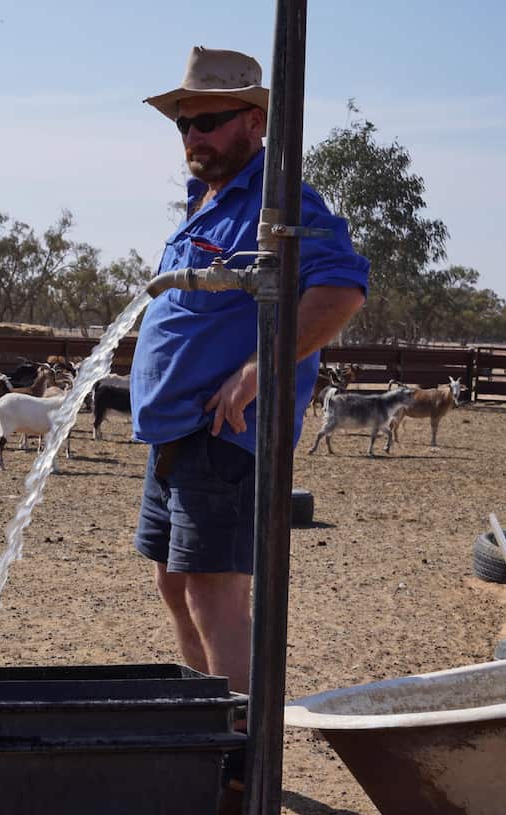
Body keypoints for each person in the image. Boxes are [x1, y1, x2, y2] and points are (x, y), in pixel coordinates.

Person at [131, 48, 367, 710]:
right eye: (184, 123)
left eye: (209, 119)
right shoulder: (206, 202)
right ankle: (210, 727)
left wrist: (258, 372)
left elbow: (341, 290)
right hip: (175, 432)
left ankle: (237, 751)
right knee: (176, 585)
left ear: (254, 122)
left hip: (226, 436)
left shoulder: (282, 202)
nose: (194, 135)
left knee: (214, 590)